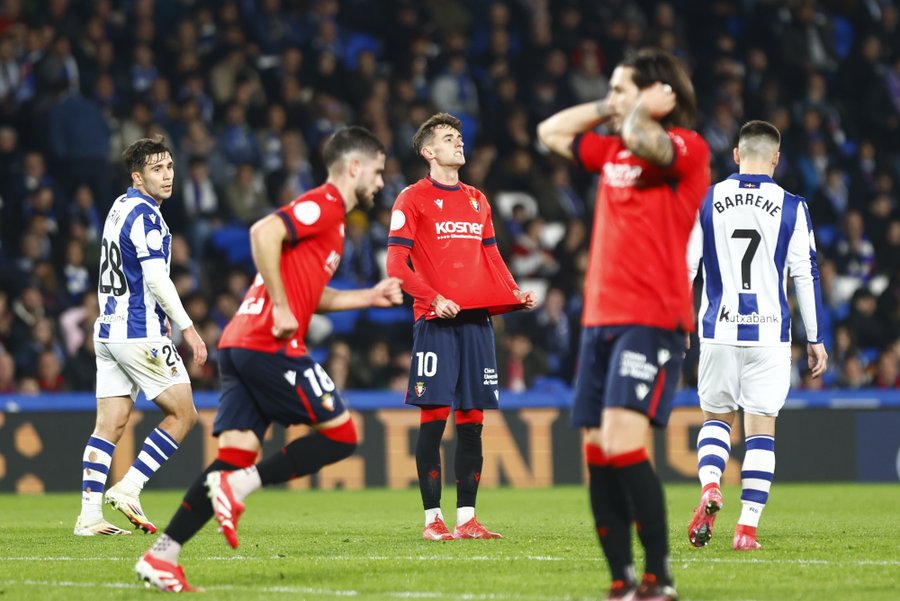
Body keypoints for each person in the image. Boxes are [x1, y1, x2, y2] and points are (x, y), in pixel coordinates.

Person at [135, 126, 402, 592]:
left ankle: (163, 555)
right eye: (377, 171)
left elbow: (315, 296)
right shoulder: (325, 204)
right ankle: (239, 488)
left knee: (234, 456)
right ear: (354, 167)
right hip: (268, 343)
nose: (381, 182)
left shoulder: (335, 225)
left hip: (239, 345)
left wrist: (369, 296)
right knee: (342, 435)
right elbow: (263, 232)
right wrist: (280, 304)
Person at [538, 48, 710, 600]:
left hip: (653, 318)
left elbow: (648, 142)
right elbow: (550, 131)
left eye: (620, 86)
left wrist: (642, 111)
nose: (610, 97)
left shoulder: (686, 148)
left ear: (659, 93)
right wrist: (612, 105)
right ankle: (621, 579)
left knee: (620, 443)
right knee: (595, 451)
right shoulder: (612, 146)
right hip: (600, 320)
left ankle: (659, 576)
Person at [386, 112, 536, 541]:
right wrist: (433, 298)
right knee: (434, 419)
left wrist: (513, 292)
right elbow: (396, 265)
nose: (459, 143)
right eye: (449, 139)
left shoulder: (477, 199)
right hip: (436, 320)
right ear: (428, 151)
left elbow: (492, 258)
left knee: (472, 421)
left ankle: (467, 517)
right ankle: (433, 519)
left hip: (477, 322)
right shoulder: (411, 199)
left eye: (460, 137)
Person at [685, 120, 828, 551]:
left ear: (736, 155)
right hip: (769, 335)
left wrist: (678, 322)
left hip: (718, 330)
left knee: (715, 420)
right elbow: (806, 274)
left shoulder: (707, 200)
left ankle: (711, 485)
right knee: (761, 431)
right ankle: (746, 529)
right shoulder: (792, 206)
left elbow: (686, 267)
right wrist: (816, 338)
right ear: (776, 158)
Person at [74, 136, 208, 537]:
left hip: (109, 330)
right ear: (138, 177)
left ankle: (89, 516)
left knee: (109, 425)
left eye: (169, 166)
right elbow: (154, 276)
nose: (167, 175)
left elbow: (121, 270)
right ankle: (129, 487)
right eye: (156, 169)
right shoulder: (148, 217)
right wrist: (188, 326)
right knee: (184, 414)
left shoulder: (119, 207)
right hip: (137, 332)